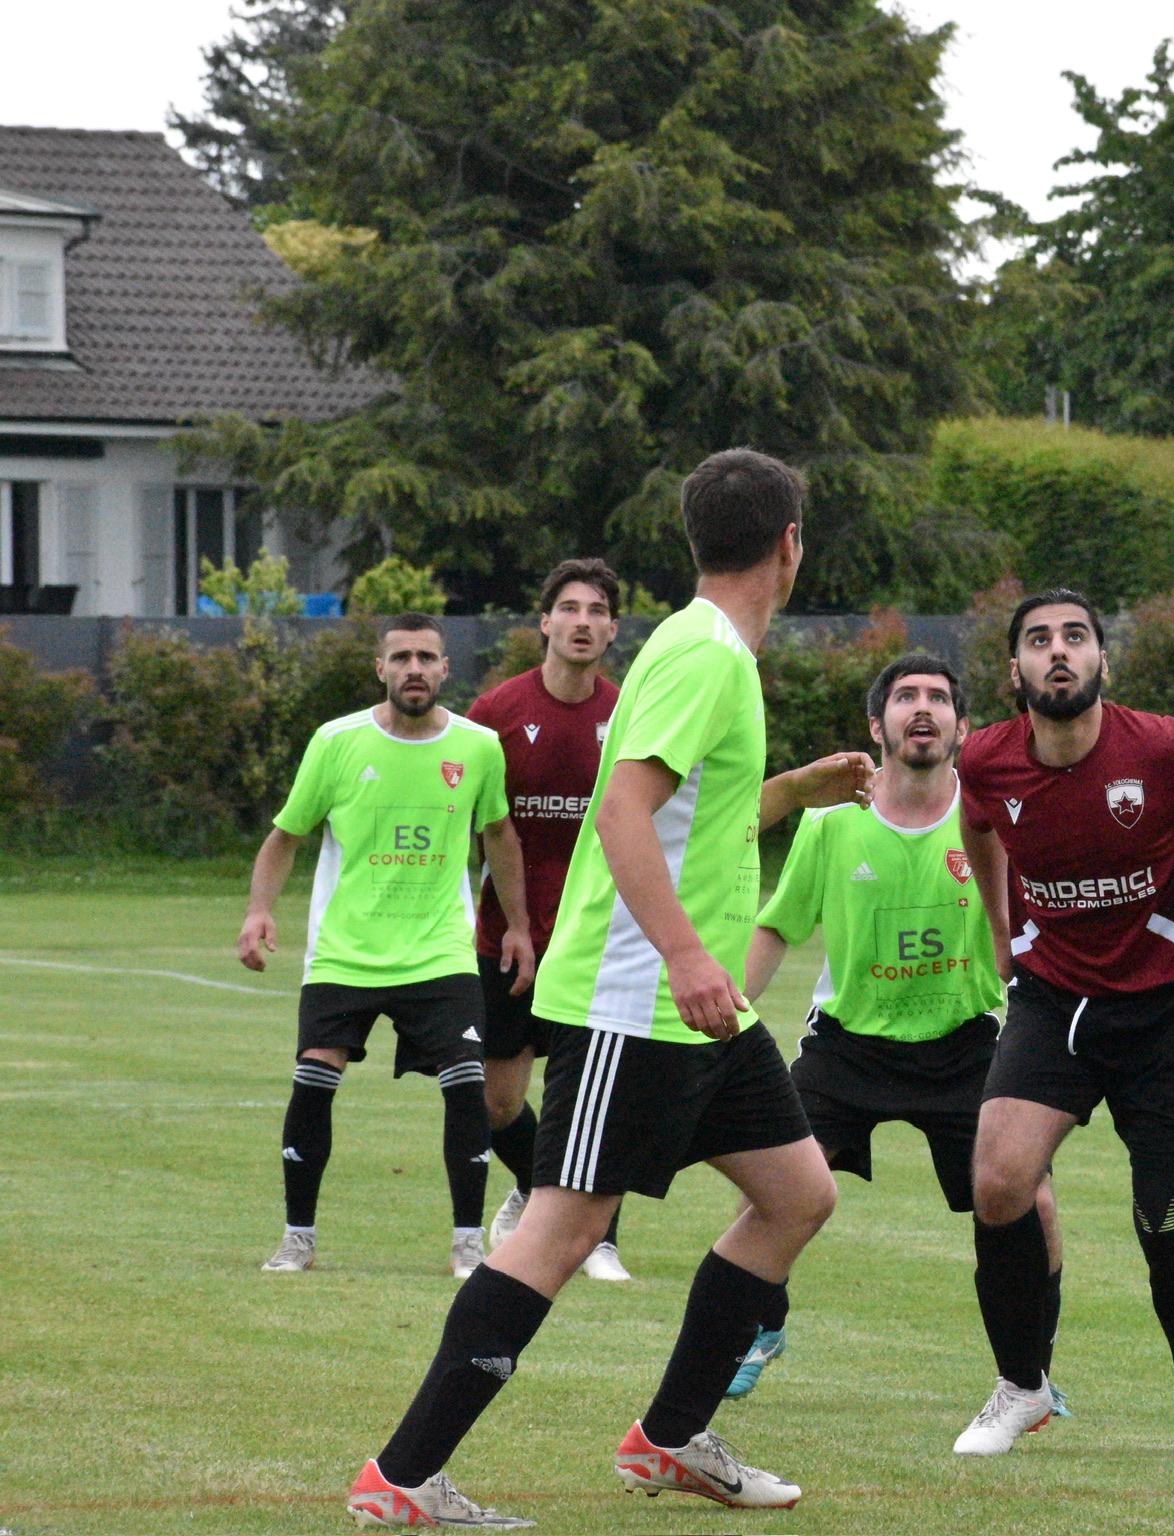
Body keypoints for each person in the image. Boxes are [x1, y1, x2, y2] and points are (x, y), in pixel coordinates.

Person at [348, 449, 871, 1527]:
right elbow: (624, 815)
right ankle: (399, 1478)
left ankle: (669, 1440)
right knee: (559, 1232)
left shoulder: (698, 650)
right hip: (637, 1001)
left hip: (700, 1014)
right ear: (789, 547)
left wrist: (794, 790)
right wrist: (684, 955)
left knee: (798, 1196)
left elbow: (691, 820)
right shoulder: (704, 657)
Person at [948, 588, 1174, 1461]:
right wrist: (1005, 937)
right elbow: (978, 829)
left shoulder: (1162, 747)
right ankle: (1022, 1385)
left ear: (1103, 661)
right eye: (1039, 641)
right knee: (998, 1184)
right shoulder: (989, 759)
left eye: (1076, 637)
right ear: (1015, 671)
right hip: (1054, 1001)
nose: (1059, 652)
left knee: (1165, 1221)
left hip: (1169, 1014)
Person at [726, 653, 1066, 1407]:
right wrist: (727, 1015)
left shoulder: (989, 823)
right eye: (905, 697)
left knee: (1031, 1207)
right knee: (771, 1186)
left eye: (939, 698)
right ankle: (760, 1328)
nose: (923, 708)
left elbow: (1034, 927)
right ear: (874, 726)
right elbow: (777, 929)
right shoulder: (828, 825)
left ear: (963, 726)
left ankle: (1031, 1373)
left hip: (966, 1046)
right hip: (847, 1045)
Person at [241, 613, 529, 1282]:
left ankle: (467, 1246)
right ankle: (297, 1239)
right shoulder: (336, 742)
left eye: (427, 656)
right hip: (346, 952)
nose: (414, 668)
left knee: (466, 1087)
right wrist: (259, 911)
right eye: (401, 656)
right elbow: (287, 834)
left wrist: (516, 925)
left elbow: (501, 838)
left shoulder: (479, 747)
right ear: (381, 669)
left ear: (445, 669)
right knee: (313, 1082)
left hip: (439, 953)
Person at [465, 558, 628, 1282]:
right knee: (498, 1102)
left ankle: (599, 1241)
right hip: (504, 936)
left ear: (614, 628)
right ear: (545, 622)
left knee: (596, 1097)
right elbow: (464, 819)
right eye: (570, 608)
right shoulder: (497, 713)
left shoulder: (627, 716)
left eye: (597, 610)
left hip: (596, 937)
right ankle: (537, 1188)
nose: (583, 621)